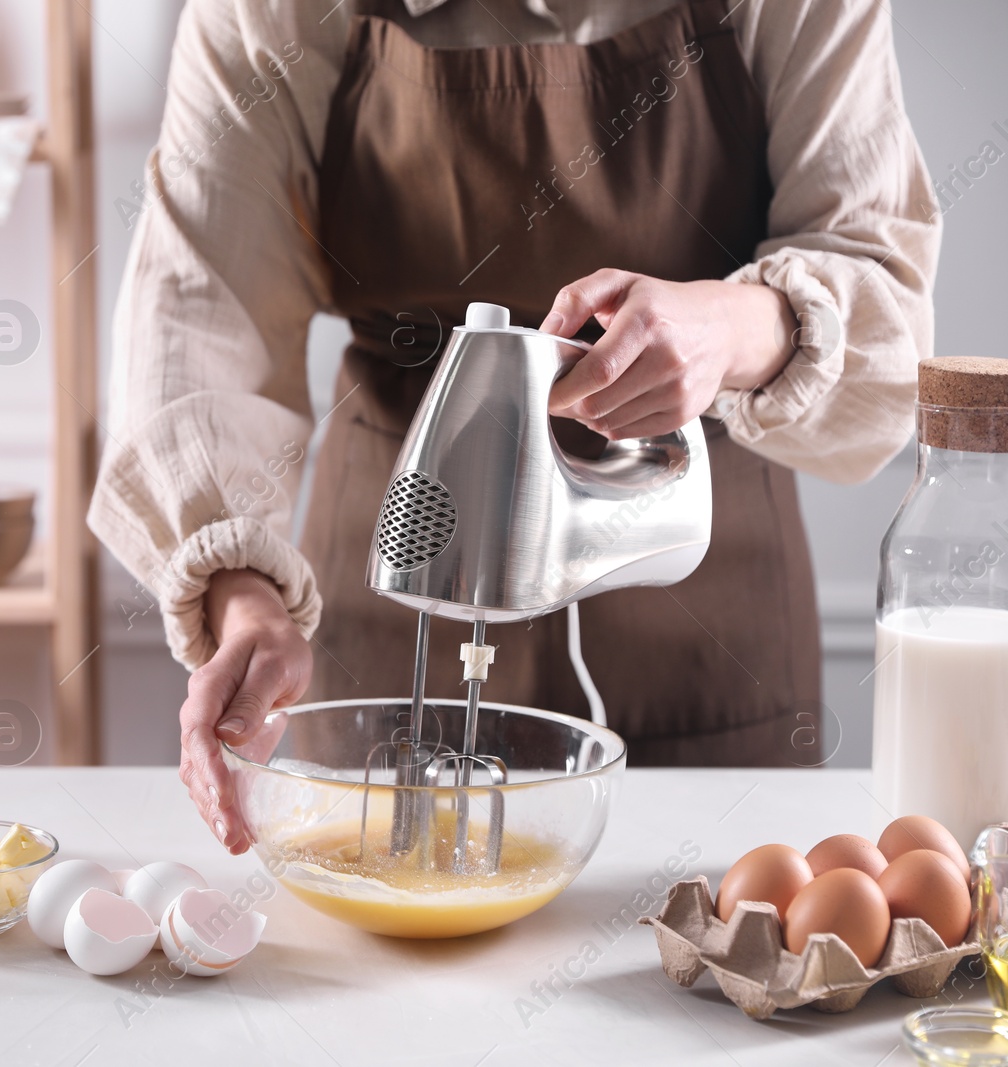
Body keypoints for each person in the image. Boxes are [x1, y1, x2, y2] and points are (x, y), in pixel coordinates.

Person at [89, 0, 940, 853]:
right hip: (387, 627)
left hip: (706, 641)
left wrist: (730, 328)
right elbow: (200, 313)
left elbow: (887, 305)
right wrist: (246, 605)